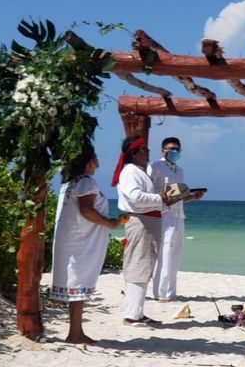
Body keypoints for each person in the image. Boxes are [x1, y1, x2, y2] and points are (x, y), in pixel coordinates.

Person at [50, 145, 126, 344]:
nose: (98, 164)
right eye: (95, 160)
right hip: (80, 242)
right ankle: (75, 333)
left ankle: (75, 331)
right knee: (79, 284)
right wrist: (111, 223)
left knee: (77, 286)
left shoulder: (69, 183)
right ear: (88, 162)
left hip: (70, 240)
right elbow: (86, 211)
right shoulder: (86, 182)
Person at [112, 135, 170, 326]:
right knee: (138, 266)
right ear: (134, 153)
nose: (148, 152)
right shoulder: (130, 171)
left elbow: (150, 200)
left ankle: (137, 312)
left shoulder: (139, 171)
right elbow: (136, 197)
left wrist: (178, 198)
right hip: (140, 222)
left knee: (144, 268)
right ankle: (131, 314)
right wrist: (160, 197)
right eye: (144, 150)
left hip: (149, 221)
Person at [149, 137, 186, 302]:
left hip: (179, 214)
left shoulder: (180, 170)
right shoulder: (155, 167)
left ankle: (171, 291)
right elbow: (149, 190)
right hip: (164, 215)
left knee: (176, 254)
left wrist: (191, 196)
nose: (174, 152)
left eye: (177, 149)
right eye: (171, 149)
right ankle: (160, 292)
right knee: (165, 253)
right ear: (163, 149)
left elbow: (179, 194)